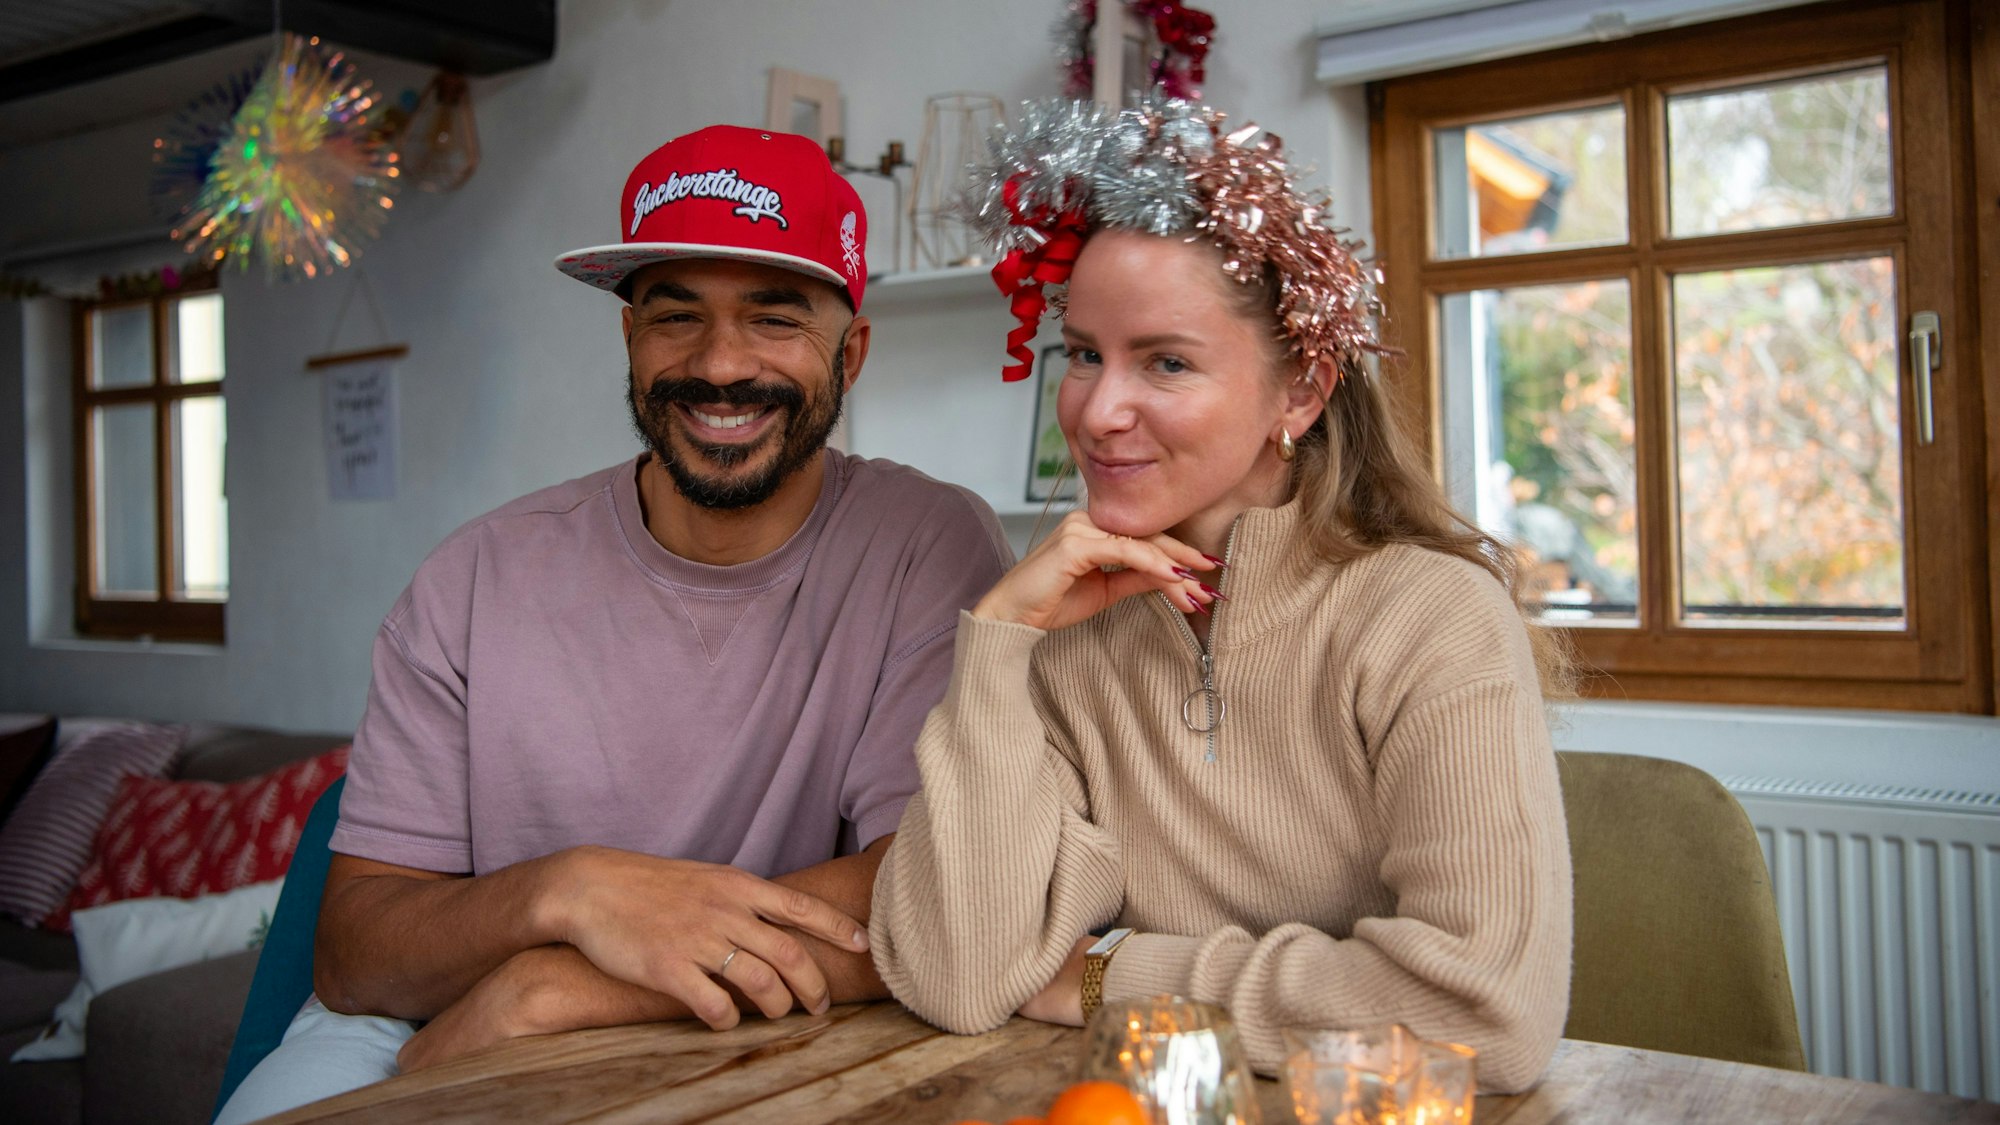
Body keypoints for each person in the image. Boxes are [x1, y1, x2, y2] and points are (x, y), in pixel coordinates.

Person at [218, 124, 1012, 1122]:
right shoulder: (473, 578)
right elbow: (354, 960)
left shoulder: (922, 544)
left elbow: (931, 890)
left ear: (849, 352)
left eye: (774, 319)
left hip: (753, 1004)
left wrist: (557, 989)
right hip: (427, 1017)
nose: (720, 364)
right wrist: (567, 891)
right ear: (630, 338)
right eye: (676, 316)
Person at [869, 98, 1574, 1092]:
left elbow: (1481, 1013)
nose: (1098, 411)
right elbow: (961, 975)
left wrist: (1109, 970)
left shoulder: (1431, 617)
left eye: (1165, 361)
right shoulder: (1062, 631)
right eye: (1083, 354)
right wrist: (995, 640)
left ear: (1301, 390)